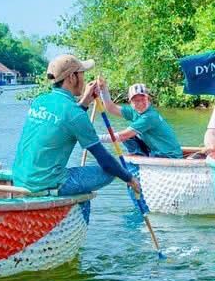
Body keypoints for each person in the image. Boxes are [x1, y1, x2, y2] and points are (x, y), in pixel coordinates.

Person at [11, 55, 141, 196]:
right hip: (45, 183)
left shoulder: (39, 100)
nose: (84, 79)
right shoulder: (74, 114)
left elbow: (65, 119)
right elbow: (106, 163)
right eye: (82, 74)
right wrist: (130, 178)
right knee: (112, 171)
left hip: (20, 179)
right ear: (72, 77)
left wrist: (84, 103)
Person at [94, 81, 184, 158]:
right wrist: (103, 90)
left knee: (127, 135)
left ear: (148, 99)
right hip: (157, 150)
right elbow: (110, 108)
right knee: (129, 137)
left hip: (169, 155)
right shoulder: (134, 111)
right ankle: (139, 156)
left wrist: (95, 138)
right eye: (136, 100)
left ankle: (139, 159)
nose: (140, 103)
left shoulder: (150, 116)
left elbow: (123, 136)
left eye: (143, 99)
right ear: (130, 102)